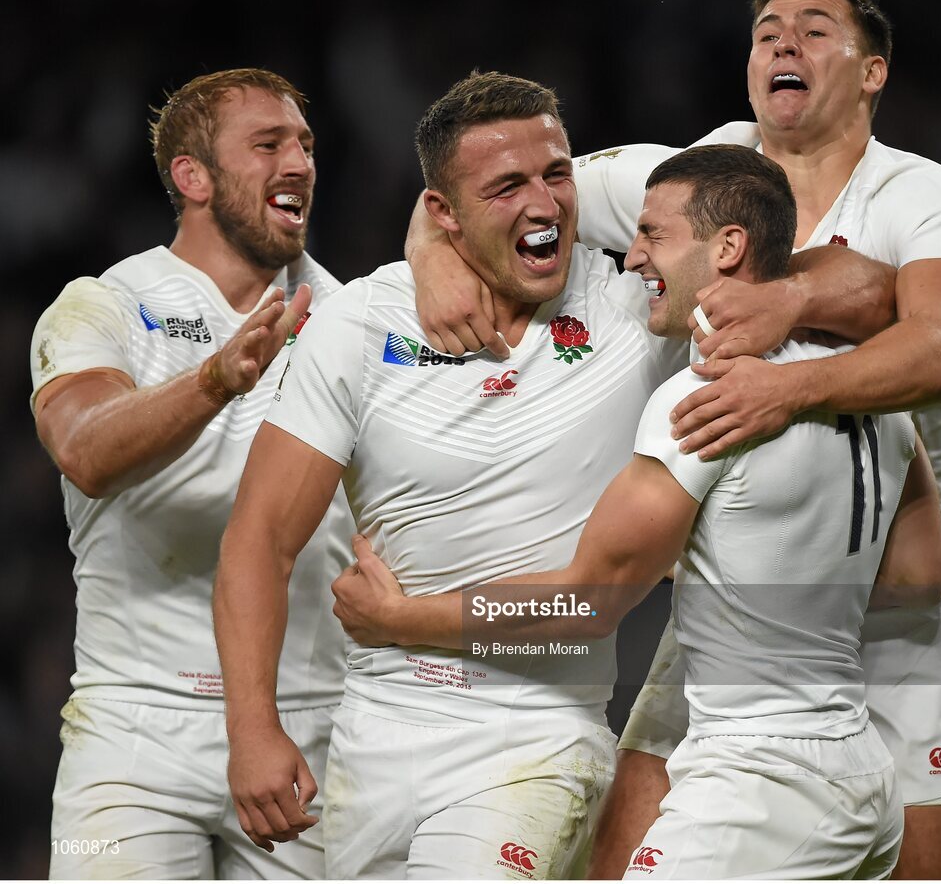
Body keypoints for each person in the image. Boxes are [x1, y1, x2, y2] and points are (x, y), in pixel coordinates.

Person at [412, 0, 941, 877]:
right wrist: (433, 253)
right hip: (737, 621)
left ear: (873, 72)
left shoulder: (927, 197)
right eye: (767, 30)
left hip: (892, 629)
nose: (783, 44)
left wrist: (785, 385)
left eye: (814, 30)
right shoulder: (699, 174)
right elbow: (503, 186)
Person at [334, 144, 941, 879]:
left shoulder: (705, 403)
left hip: (757, 785)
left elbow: (584, 606)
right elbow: (918, 579)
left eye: (653, 234)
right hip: (861, 770)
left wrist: (399, 620)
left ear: (727, 247)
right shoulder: (876, 402)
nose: (630, 258)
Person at [213, 70, 690, 879]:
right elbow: (260, 538)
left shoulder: (633, 309)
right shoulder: (364, 322)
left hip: (536, 736)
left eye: (558, 174)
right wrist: (252, 728)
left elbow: (746, 199)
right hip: (373, 736)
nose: (545, 205)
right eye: (506, 187)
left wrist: (403, 618)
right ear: (442, 211)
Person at [30, 68, 353, 880]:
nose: (300, 162)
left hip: (310, 728)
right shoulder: (104, 304)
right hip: (131, 739)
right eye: (269, 143)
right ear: (192, 175)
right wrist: (216, 380)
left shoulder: (358, 318)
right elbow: (83, 449)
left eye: (306, 145)